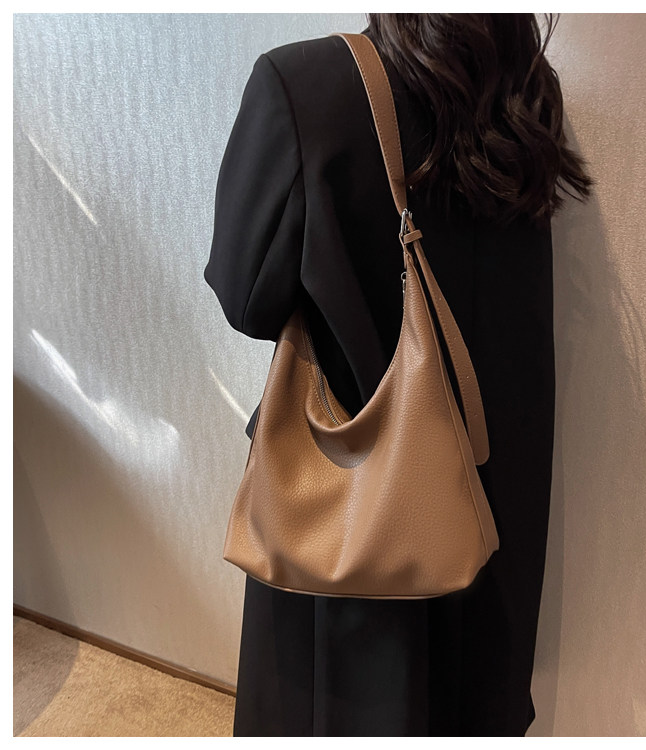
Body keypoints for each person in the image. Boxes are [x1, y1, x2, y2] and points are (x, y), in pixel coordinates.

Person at [203, 13, 594, 737]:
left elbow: (245, 296)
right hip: (490, 499)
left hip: (354, 517)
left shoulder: (303, 85)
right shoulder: (526, 85)